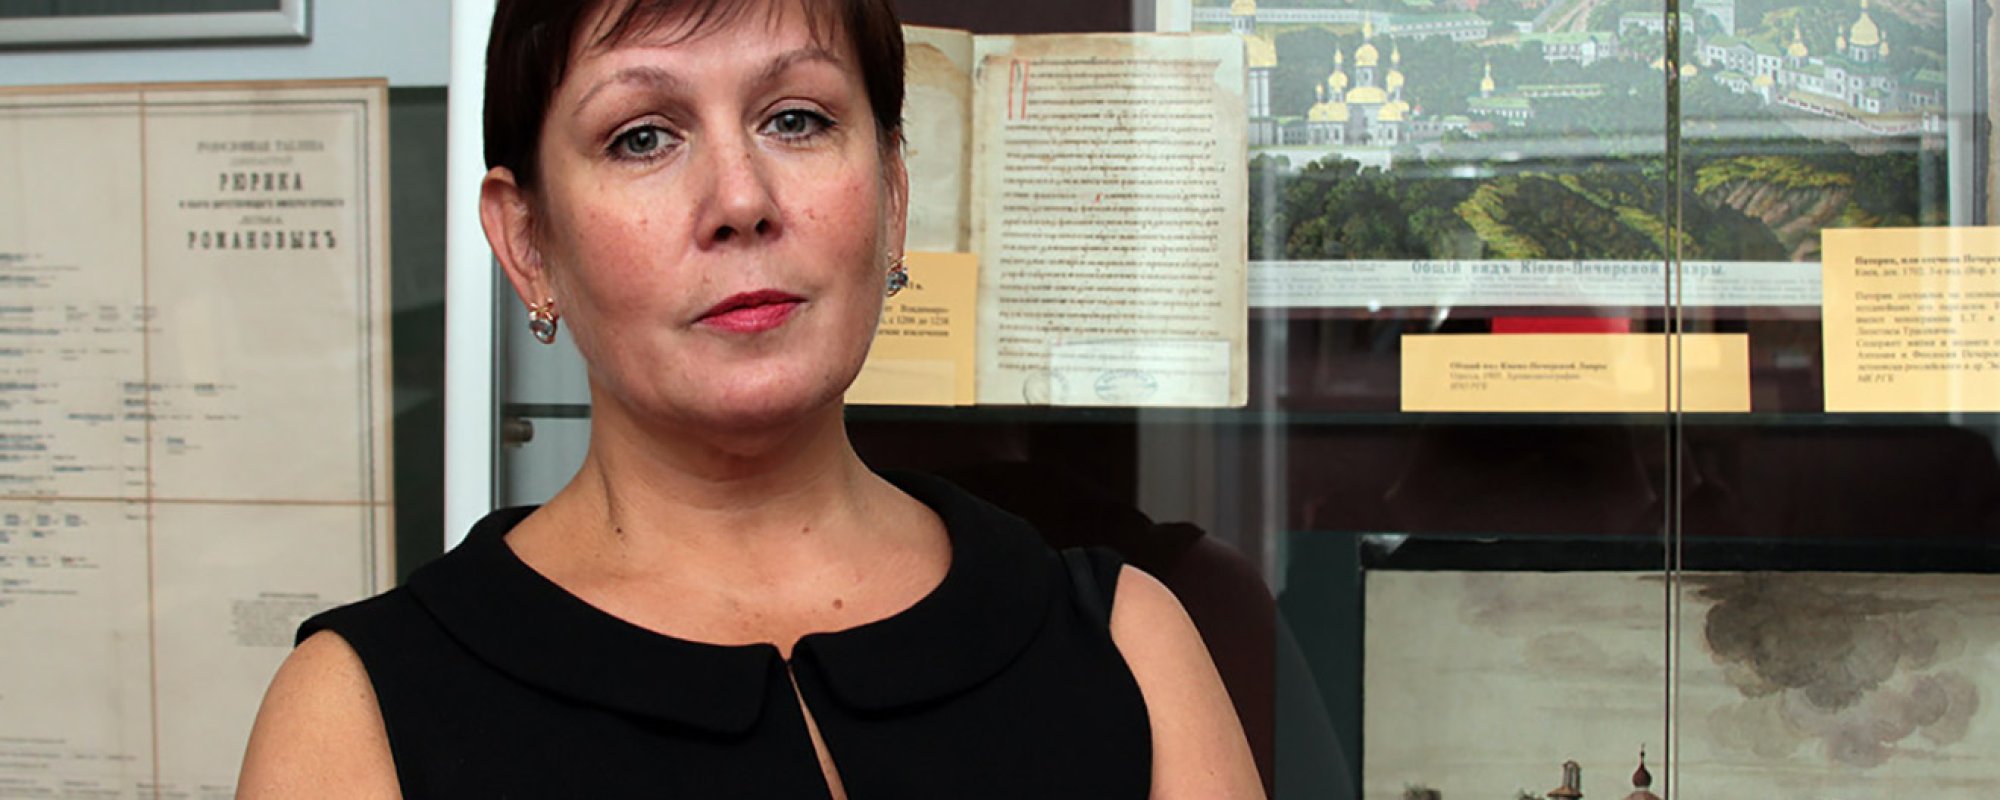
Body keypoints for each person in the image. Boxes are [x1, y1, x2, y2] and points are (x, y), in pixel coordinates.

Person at [236, 0, 1263, 796]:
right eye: (642, 136)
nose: (740, 200)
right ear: (527, 240)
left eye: (796, 119)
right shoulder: (357, 715)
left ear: (892, 191)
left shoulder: (1128, 643)